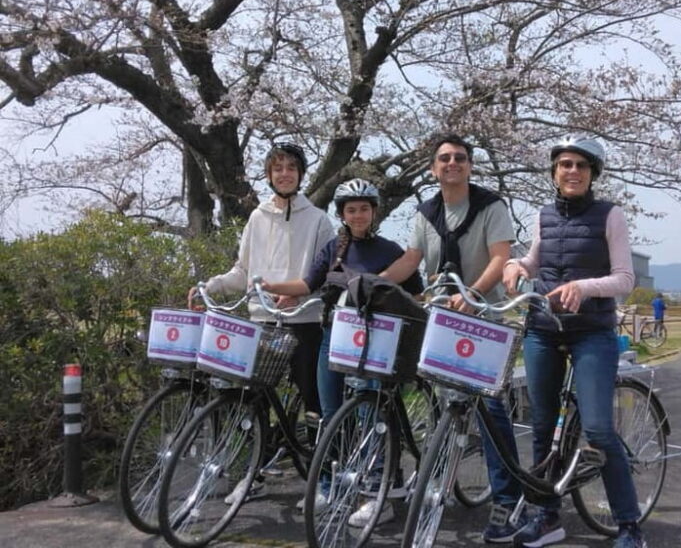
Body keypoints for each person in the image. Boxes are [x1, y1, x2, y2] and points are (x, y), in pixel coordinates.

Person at [381, 132, 527, 544]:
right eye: (444, 158)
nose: (452, 164)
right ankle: (436, 479)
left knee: (491, 411)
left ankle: (506, 499)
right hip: (441, 317)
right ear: (433, 168)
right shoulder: (425, 212)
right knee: (446, 404)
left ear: (469, 165)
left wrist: (475, 293)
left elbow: (501, 256)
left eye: (460, 158)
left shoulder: (490, 205)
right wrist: (375, 282)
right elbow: (412, 259)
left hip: (483, 316)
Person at [503, 137, 646, 548]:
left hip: (592, 333)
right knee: (543, 427)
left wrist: (584, 287)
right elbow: (536, 261)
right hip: (543, 330)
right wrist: (516, 264)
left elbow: (625, 278)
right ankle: (548, 516)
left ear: (592, 174)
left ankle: (629, 525)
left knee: (599, 429)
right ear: (554, 172)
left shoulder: (610, 215)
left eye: (581, 165)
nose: (572, 171)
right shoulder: (544, 215)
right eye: (565, 164)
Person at [260, 178, 424, 523]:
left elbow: (414, 295)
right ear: (343, 214)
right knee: (329, 415)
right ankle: (327, 485)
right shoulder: (335, 247)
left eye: (364, 208)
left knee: (370, 416)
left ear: (374, 212)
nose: (359, 214)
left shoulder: (391, 251)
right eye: (352, 209)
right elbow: (308, 284)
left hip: (377, 343)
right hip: (335, 337)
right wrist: (271, 285)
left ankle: (375, 493)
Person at [187, 143, 335, 500]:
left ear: (301, 173)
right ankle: (253, 472)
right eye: (277, 168)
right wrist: (211, 285)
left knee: (314, 400)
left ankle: (324, 477)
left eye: (290, 167)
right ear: (269, 175)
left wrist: (302, 295)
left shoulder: (318, 219)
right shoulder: (257, 216)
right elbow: (243, 271)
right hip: (262, 321)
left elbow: (328, 277)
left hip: (304, 320)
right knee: (252, 401)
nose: (284, 173)